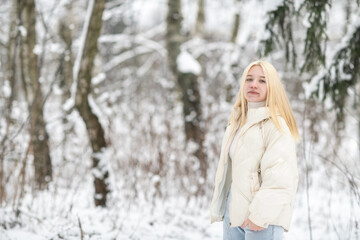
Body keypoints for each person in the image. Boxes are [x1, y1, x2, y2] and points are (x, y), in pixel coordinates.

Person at [210, 60, 299, 240]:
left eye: (262, 81)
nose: (253, 85)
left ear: (272, 86)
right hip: (233, 213)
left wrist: (260, 215)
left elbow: (280, 177)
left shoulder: (276, 125)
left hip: (263, 216)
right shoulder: (237, 122)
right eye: (249, 79)